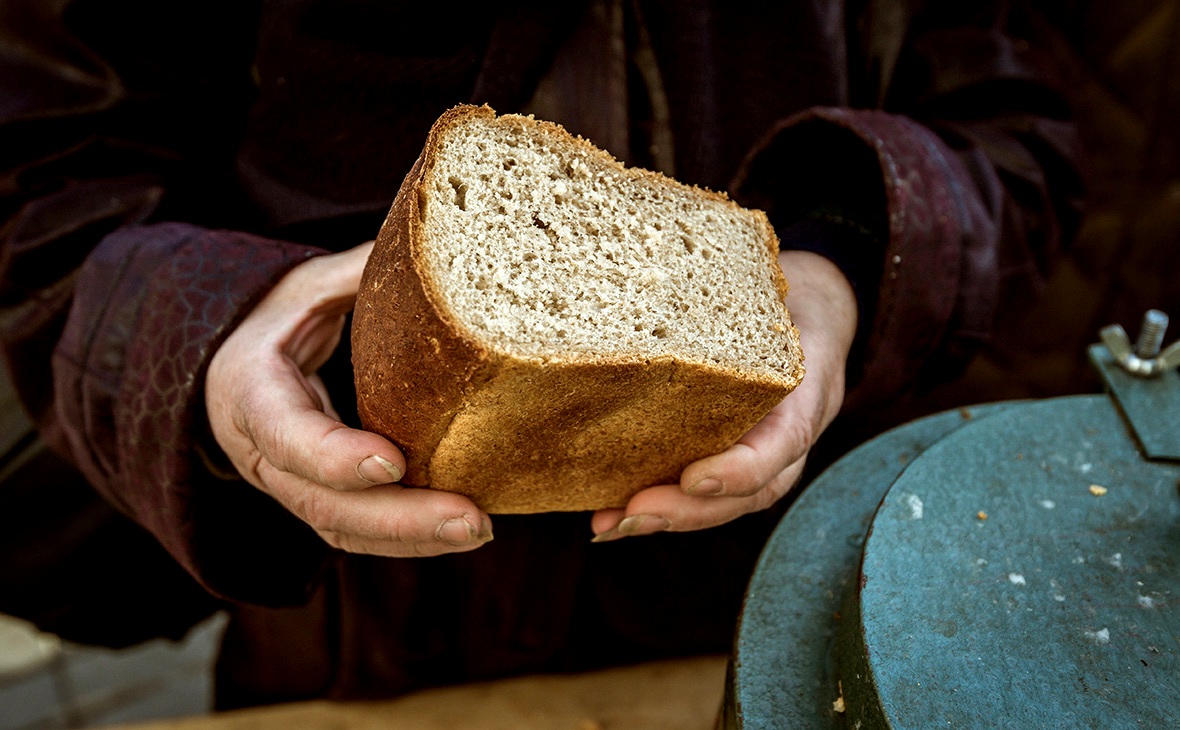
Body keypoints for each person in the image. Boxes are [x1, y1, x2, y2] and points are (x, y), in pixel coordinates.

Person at [0, 0, 1081, 708]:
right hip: (353, 639)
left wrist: (848, 261)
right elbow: (42, 190)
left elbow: (1024, 132)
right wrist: (210, 330)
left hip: (769, 600)